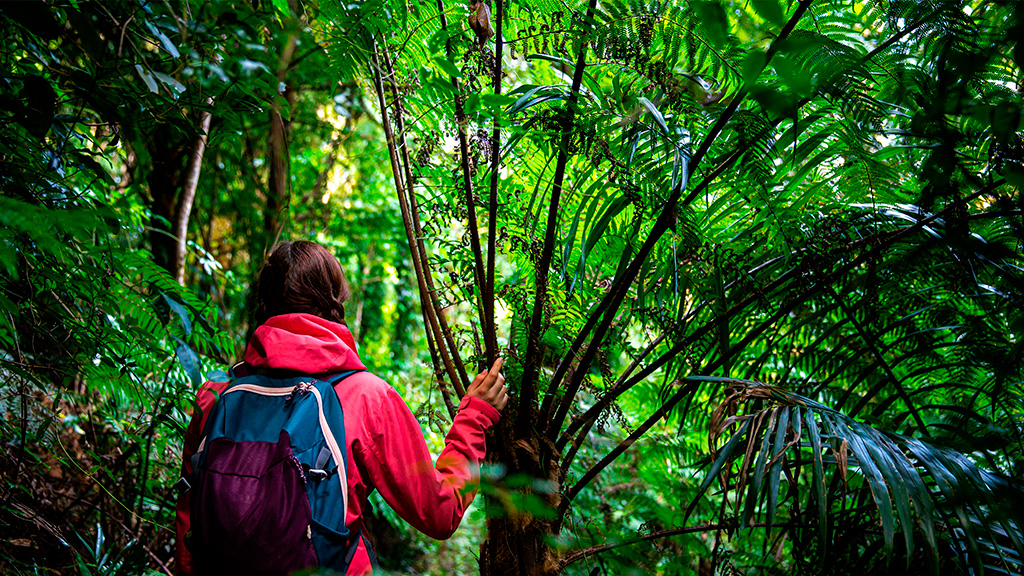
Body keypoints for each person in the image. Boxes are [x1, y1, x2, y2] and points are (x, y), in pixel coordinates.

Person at [175, 241, 508, 575]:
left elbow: (191, 519)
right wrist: (475, 418)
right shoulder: (367, 398)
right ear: (335, 301)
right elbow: (440, 511)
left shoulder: (216, 396)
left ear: (263, 303)